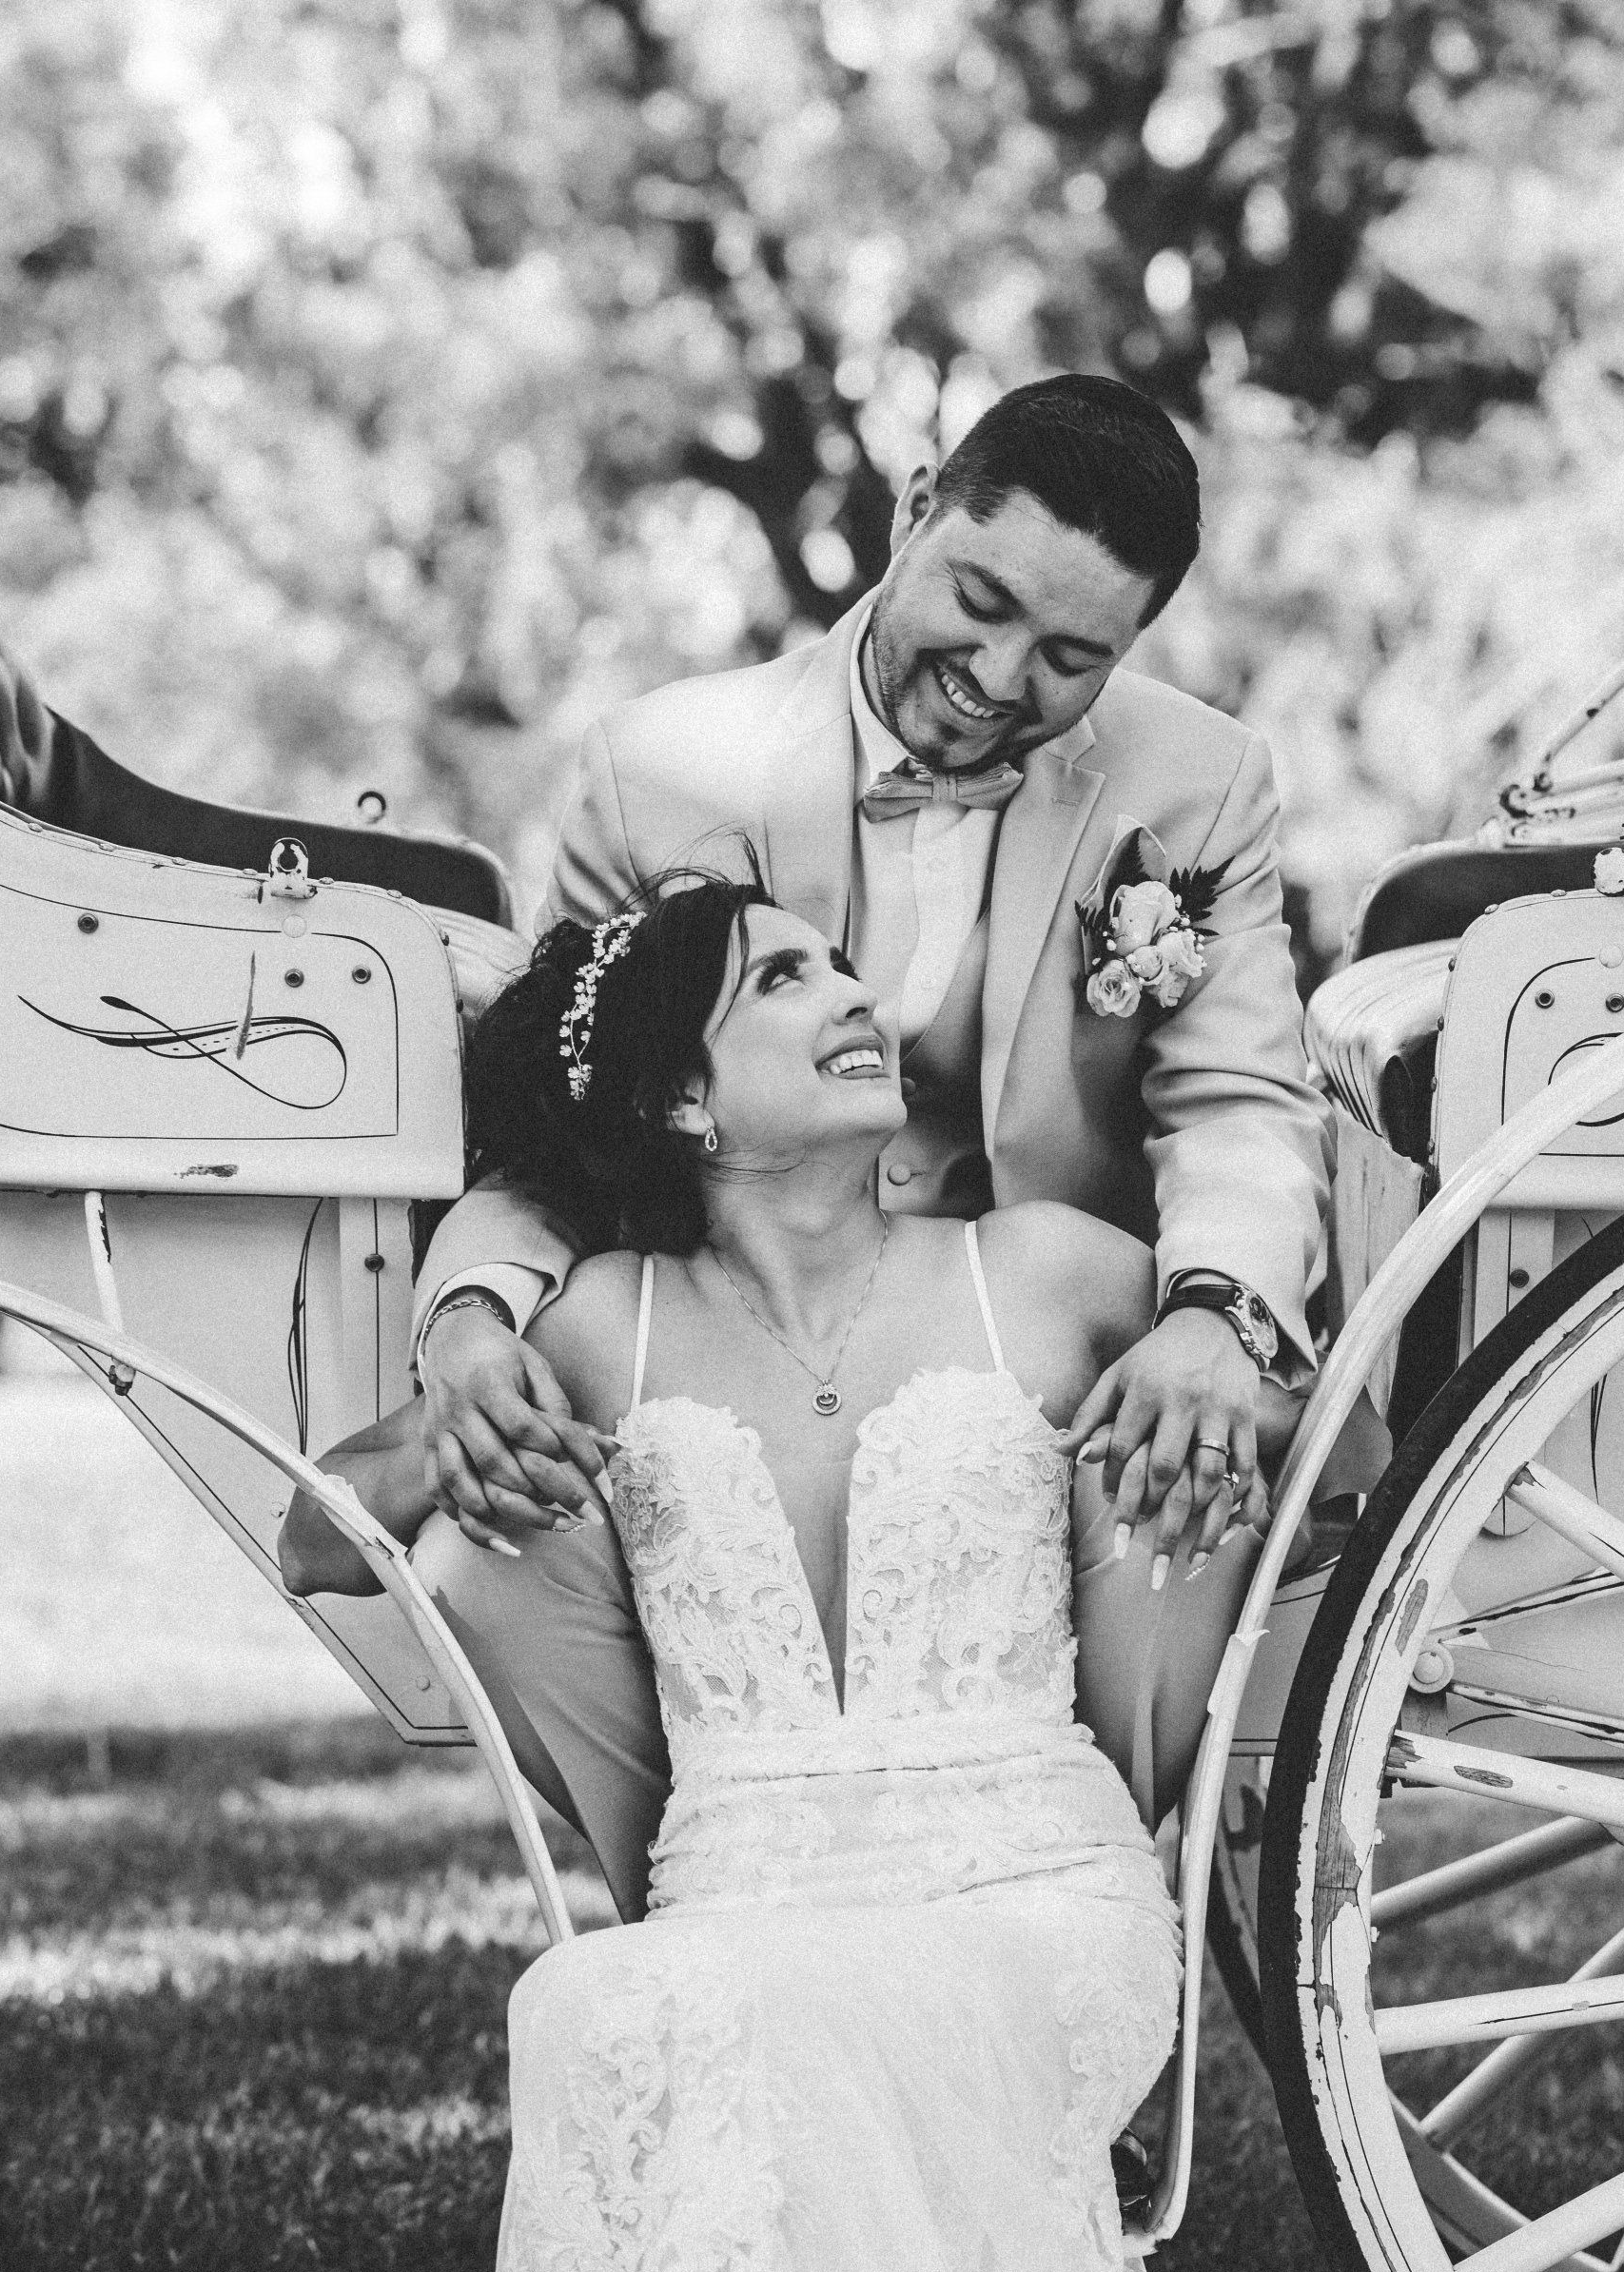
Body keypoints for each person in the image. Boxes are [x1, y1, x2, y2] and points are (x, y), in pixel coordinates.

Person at [296, 867, 1624, 2272]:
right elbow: (316, 1537)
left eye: (839, 960)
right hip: (753, 1891)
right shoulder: (603, 1324)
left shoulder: (1049, 1271)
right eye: (783, 980)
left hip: (1031, 1898)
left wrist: (1231, 1383)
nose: (853, 994)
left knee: (755, 2012)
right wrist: (454, 1411)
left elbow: (1365, 1463)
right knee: (595, 1993)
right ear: (682, 1101)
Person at [411, 374, 1334, 1603]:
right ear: (913, 511)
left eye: (1070, 659)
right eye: (981, 602)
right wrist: (469, 1316)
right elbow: (557, 1124)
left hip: (1057, 1388)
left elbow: (1238, 1105)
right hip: (732, 1370)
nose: (999, 676)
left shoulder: (1202, 784)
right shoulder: (661, 773)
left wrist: (1215, 1316)